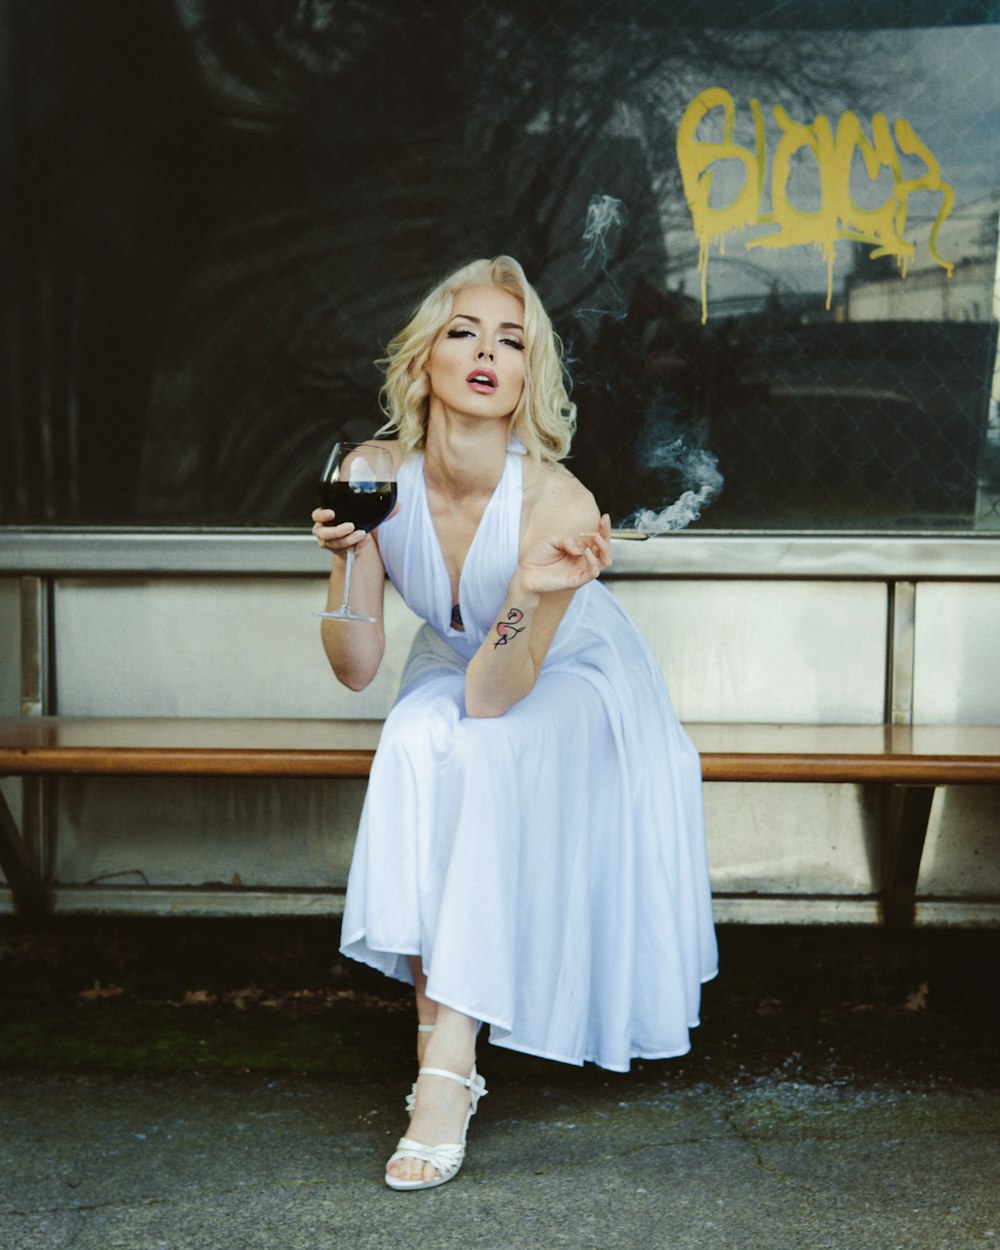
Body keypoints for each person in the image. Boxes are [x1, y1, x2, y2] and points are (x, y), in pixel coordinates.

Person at [311, 256, 717, 1191]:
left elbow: (497, 695)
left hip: (561, 671)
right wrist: (347, 559)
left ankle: (445, 1075)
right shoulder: (371, 474)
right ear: (424, 360)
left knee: (477, 745)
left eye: (513, 339)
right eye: (465, 332)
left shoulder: (556, 501)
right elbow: (357, 667)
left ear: (530, 376)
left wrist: (532, 591)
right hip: (451, 664)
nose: (488, 352)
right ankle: (439, 1050)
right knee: (413, 736)